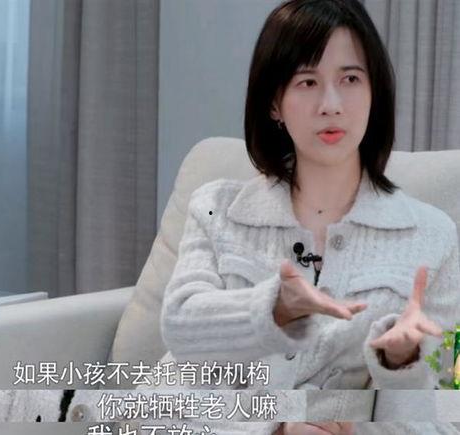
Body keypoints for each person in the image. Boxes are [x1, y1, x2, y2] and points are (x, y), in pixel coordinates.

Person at [159, 0, 460, 434]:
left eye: (350, 79)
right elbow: (181, 336)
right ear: (274, 103)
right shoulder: (217, 209)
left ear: (374, 93)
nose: (330, 104)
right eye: (307, 81)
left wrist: (398, 374)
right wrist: (276, 425)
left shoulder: (431, 237)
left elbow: (445, 417)